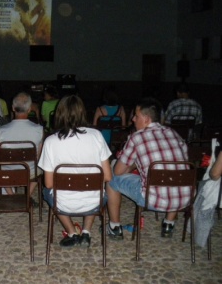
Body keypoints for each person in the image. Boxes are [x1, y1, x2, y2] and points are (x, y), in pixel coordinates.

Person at [106, 97, 188, 240]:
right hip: (184, 199)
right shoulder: (174, 133)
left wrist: (132, 165)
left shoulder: (136, 137)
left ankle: (114, 227)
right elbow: (184, 165)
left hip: (152, 199)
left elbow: (118, 172)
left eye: (136, 116)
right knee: (172, 177)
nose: (132, 119)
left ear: (146, 118)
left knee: (111, 179)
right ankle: (168, 224)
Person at [38, 95, 112, 248]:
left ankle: (72, 232)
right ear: (82, 113)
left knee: (46, 191)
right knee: (95, 188)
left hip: (63, 203)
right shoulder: (96, 136)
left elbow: (49, 183)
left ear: (59, 114)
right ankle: (86, 231)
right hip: (95, 202)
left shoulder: (50, 141)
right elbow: (108, 176)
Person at [0, 92, 44, 196]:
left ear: (13, 108)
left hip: (7, 172)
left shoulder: (1, 131)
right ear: (29, 109)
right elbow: (39, 156)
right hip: (30, 172)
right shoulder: (39, 130)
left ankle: (11, 194)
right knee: (40, 167)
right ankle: (27, 196)